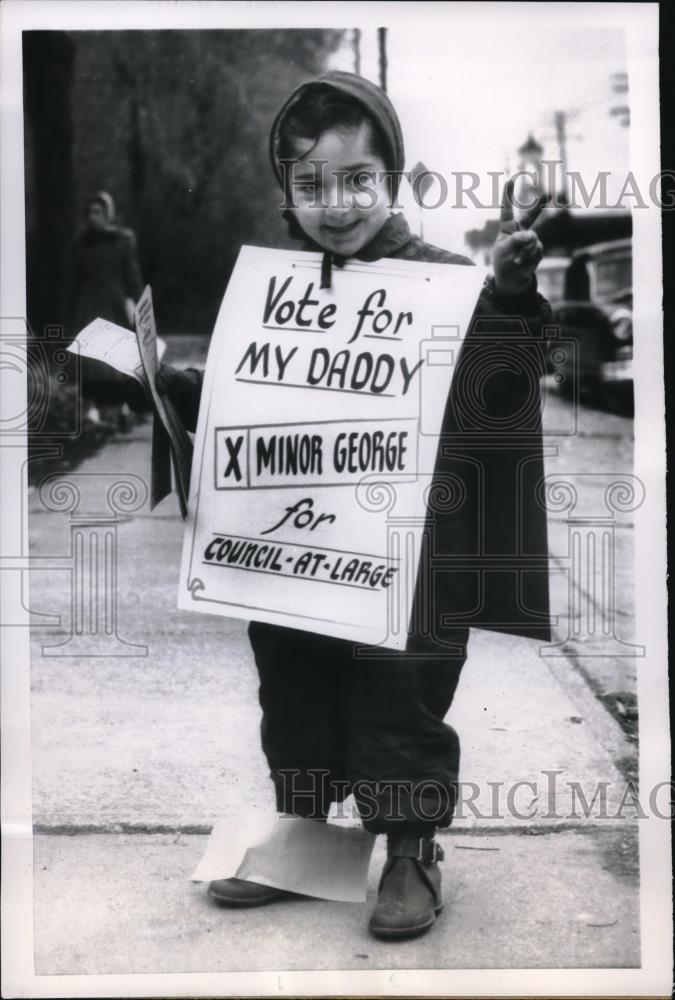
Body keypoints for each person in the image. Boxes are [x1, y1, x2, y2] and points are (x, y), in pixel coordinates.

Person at [131, 72, 551, 940]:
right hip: (297, 548)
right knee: (292, 685)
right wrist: (176, 385)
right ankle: (308, 837)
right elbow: (244, 400)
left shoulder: (443, 281)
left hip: (411, 550)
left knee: (402, 692)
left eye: (355, 178)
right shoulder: (272, 286)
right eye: (310, 182)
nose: (335, 202)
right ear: (284, 187)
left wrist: (509, 298)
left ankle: (409, 846)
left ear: (391, 178)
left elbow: (501, 382)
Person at [65, 191, 144, 429]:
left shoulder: (122, 241)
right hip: (88, 305)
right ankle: (92, 410)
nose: (93, 217)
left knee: (115, 359)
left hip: (114, 304)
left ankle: (123, 409)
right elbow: (73, 281)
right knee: (90, 360)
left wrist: (138, 304)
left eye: (98, 212)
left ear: (108, 214)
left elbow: (132, 276)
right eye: (89, 212)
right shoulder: (81, 244)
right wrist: (68, 312)